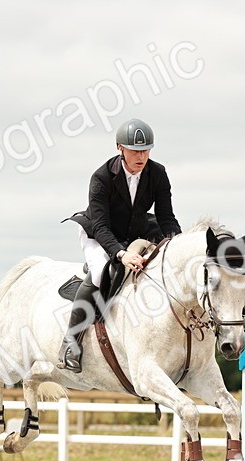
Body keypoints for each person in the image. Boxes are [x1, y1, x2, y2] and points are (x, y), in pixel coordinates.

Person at [60, 118, 182, 372]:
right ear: (120, 148)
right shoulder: (101, 177)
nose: (141, 156)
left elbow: (166, 217)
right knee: (101, 270)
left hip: (136, 230)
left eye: (146, 150)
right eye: (135, 150)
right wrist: (121, 254)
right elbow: (103, 227)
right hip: (98, 233)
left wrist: (176, 245)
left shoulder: (157, 173)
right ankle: (71, 341)